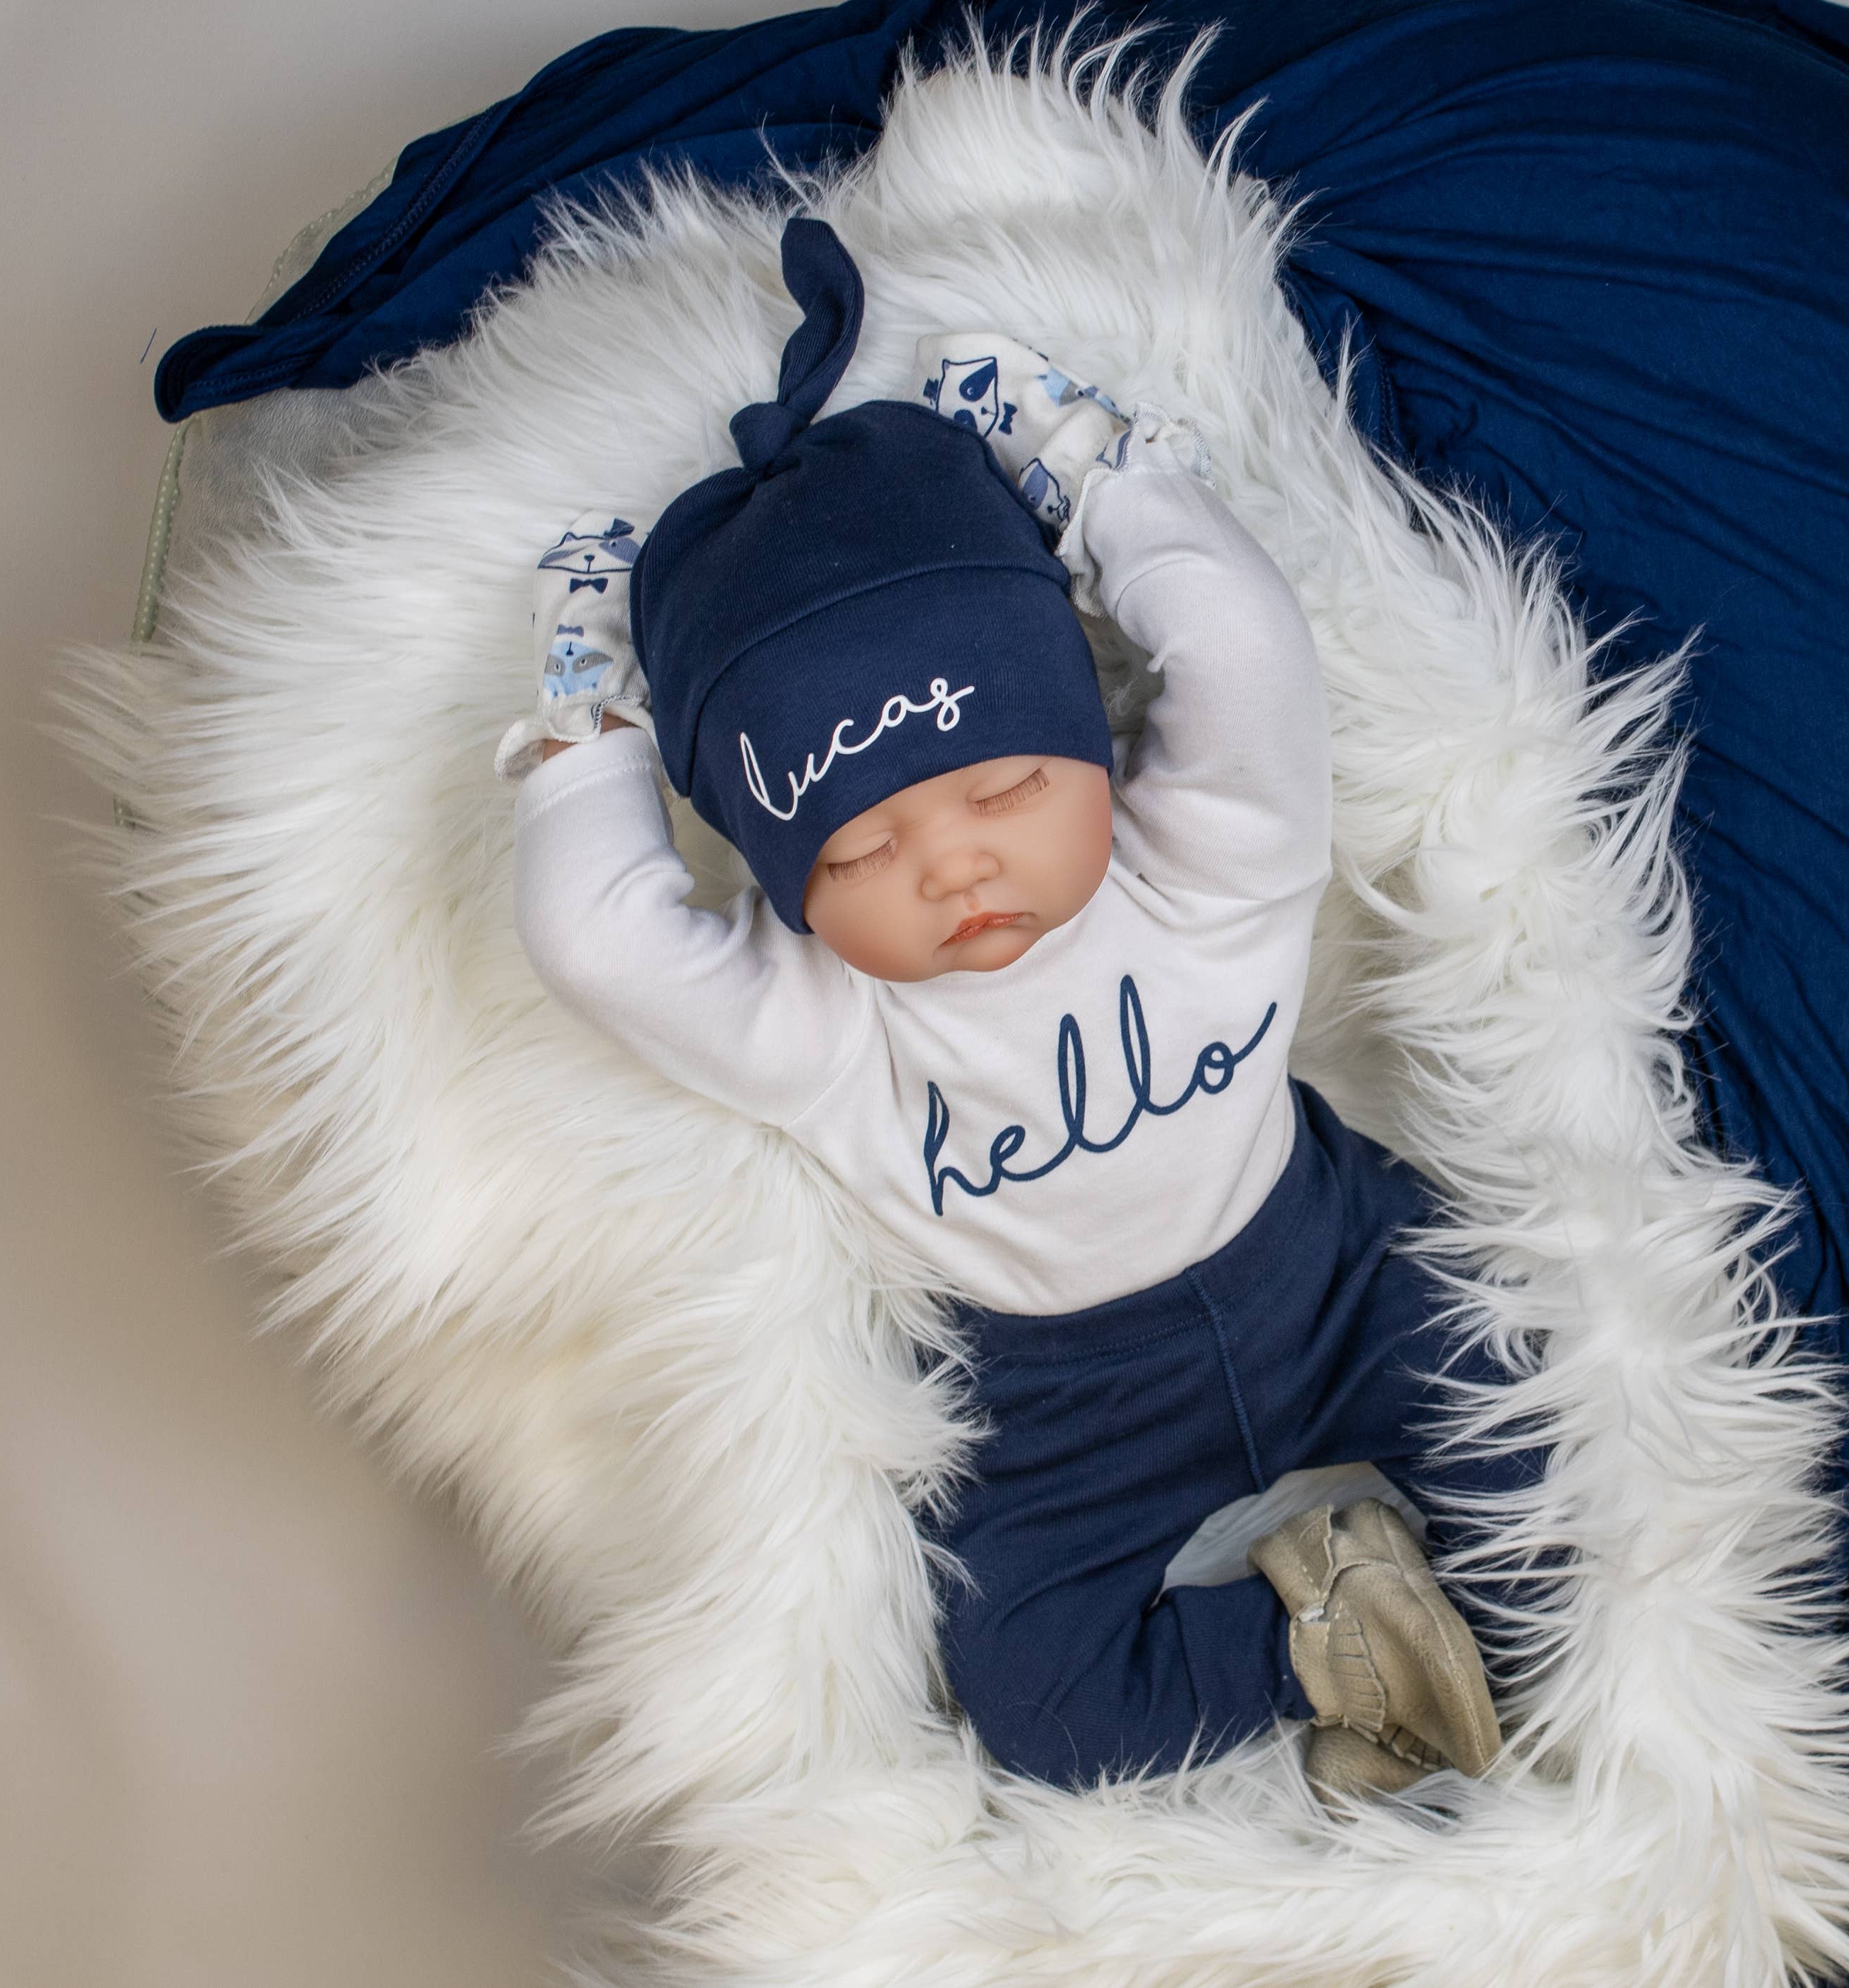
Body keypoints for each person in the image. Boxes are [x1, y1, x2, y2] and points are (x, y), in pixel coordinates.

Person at [503, 216, 1540, 1801]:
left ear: (1088, 745)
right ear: (786, 889)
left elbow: (1240, 638)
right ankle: (1334, 1643)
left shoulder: (1211, 866)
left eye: (1003, 789)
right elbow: (595, 937)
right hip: (1066, 1406)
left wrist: (1092, 474)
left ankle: (1459, 1635)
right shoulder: (824, 1023)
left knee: (1558, 1457)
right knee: (1042, 1706)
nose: (951, 867)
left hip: (1333, 1270)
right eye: (858, 850)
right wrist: (587, 734)